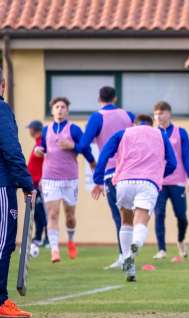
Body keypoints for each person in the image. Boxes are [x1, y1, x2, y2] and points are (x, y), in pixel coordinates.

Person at [92, 114, 176, 282]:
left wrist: (98, 179)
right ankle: (135, 246)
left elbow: (104, 155)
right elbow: (172, 163)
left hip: (124, 181)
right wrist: (158, 175)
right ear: (151, 124)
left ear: (134, 124)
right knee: (141, 220)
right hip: (148, 182)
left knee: (126, 221)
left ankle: (128, 263)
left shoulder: (123, 133)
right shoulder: (161, 135)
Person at [75, 86, 134, 269]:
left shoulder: (97, 117)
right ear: (115, 98)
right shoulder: (128, 115)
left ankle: (125, 257)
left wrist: (93, 162)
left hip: (111, 171)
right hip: (131, 170)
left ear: (98, 98)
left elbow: (83, 145)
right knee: (130, 214)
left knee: (119, 216)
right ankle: (128, 255)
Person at [35, 97, 96, 263]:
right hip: (50, 178)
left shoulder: (74, 129)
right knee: (53, 214)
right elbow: (43, 147)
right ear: (52, 110)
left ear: (67, 110)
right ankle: (55, 250)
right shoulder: (46, 130)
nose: (60, 109)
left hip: (70, 178)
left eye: (63, 107)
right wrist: (39, 150)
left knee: (70, 216)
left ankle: (70, 241)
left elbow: (85, 147)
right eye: (57, 107)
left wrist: (74, 148)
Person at [0, 66, 34, 318]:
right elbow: (11, 149)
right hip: (2, 184)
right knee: (3, 242)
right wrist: (26, 183)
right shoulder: (1, 109)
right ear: (3, 84)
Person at [152, 101, 189, 262]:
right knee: (159, 214)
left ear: (169, 113)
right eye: (156, 113)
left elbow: (186, 156)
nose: (159, 116)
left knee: (181, 216)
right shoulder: (152, 133)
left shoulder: (180, 132)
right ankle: (161, 249)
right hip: (159, 181)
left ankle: (181, 240)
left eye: (161, 113)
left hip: (177, 181)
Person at [27, 120, 48, 254]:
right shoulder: (38, 142)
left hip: (38, 183)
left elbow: (46, 157)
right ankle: (40, 238)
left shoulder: (41, 142)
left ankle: (42, 239)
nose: (29, 131)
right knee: (37, 212)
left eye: (30, 128)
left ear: (34, 129)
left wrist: (43, 177)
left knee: (40, 212)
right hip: (33, 183)